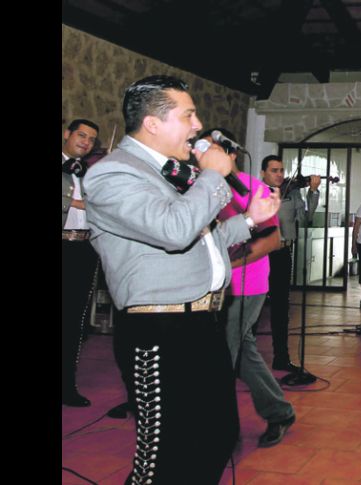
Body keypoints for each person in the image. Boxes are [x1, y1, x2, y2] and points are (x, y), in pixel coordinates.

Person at [82, 75, 281, 484]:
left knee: (216, 436)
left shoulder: (171, 172)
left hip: (201, 323)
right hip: (158, 329)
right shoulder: (113, 174)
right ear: (153, 123)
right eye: (188, 115)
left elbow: (199, 242)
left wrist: (249, 220)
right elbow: (173, 231)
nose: (197, 125)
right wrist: (211, 175)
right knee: (165, 455)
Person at [202, 128, 297, 448]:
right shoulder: (203, 187)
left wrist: (227, 265)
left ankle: (217, 429)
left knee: (226, 353)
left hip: (247, 285)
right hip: (213, 284)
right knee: (241, 349)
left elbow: (272, 239)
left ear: (230, 153)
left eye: (212, 149)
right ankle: (278, 411)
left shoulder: (253, 188)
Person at [261, 155, 320, 372]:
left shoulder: (293, 193)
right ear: (263, 173)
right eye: (274, 170)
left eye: (282, 171)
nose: (279, 175)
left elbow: (305, 219)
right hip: (259, 255)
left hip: (283, 252)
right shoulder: (256, 192)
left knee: (281, 307)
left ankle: (281, 357)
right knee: (253, 307)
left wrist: (312, 192)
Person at [62, 118, 100, 407]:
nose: (85, 142)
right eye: (81, 135)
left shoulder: (89, 173)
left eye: (91, 139)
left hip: (83, 249)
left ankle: (66, 384)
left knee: (75, 321)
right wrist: (77, 202)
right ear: (67, 134)